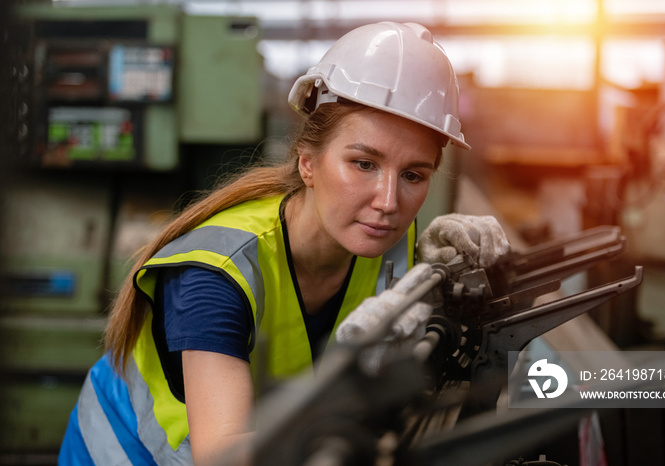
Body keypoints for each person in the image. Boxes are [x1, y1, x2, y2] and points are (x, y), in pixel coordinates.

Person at [57, 21, 509, 465]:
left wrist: (437, 275)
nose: (389, 202)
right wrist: (346, 390)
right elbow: (224, 457)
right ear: (308, 163)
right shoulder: (215, 277)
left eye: (413, 175)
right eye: (363, 164)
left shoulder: (380, 238)